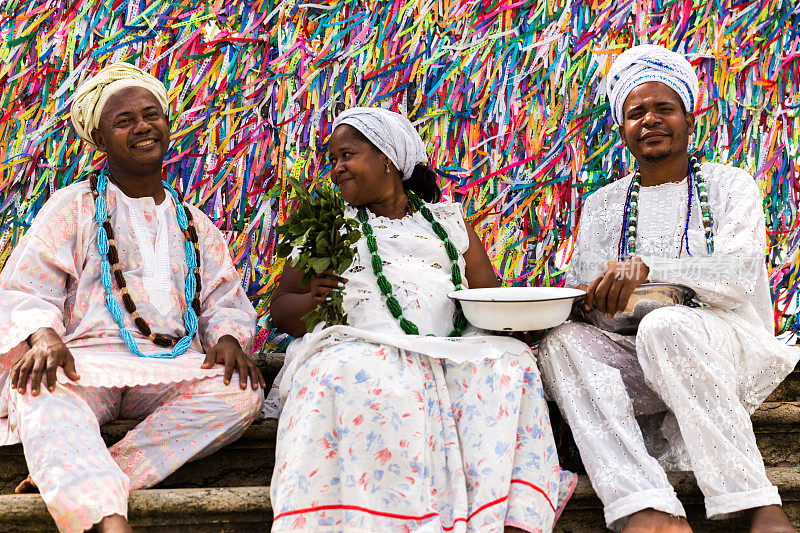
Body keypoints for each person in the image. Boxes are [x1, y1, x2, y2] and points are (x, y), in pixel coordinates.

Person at [268, 107, 575, 532]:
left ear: (388, 160)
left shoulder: (449, 223)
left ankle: (504, 518)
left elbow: (487, 296)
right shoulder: (328, 227)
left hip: (451, 347)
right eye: (333, 160)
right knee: (349, 372)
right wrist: (311, 300)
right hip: (359, 343)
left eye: (347, 155)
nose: (336, 168)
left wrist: (519, 321)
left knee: (512, 362)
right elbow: (280, 309)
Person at [537, 44, 799, 533]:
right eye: (636, 113)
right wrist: (570, 304)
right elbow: (584, 289)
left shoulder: (730, 185)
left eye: (664, 108)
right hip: (634, 352)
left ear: (688, 117)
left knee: (667, 324)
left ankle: (754, 501)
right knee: (560, 343)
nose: (650, 120)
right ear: (623, 129)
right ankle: (644, 504)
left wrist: (648, 266)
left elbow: (738, 279)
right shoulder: (602, 204)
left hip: (726, 342)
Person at [0, 63, 265, 533]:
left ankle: (91, 477)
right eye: (124, 121)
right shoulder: (72, 206)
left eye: (152, 114)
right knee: (40, 388)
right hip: (84, 364)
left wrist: (225, 337)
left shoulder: (195, 223)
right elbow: (25, 287)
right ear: (99, 141)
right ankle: (108, 521)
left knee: (240, 392)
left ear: (167, 124)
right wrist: (42, 337)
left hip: (169, 366)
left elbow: (224, 298)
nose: (143, 126)